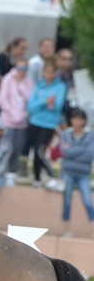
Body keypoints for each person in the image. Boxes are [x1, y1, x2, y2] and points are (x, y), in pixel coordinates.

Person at [27, 60, 66, 190]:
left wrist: (42, 103)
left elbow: (57, 106)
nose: (49, 74)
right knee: (35, 151)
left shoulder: (60, 86)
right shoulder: (39, 85)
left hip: (48, 124)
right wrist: (45, 101)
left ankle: (53, 175)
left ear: (55, 73)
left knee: (40, 149)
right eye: (46, 72)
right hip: (34, 122)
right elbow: (31, 107)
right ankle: (37, 179)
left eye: (51, 72)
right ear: (43, 72)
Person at [59, 108, 94, 238]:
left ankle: (92, 230)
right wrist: (81, 149)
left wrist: (72, 150)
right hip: (68, 172)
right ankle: (66, 230)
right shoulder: (66, 134)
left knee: (88, 202)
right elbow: (64, 152)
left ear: (84, 120)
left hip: (83, 173)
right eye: (74, 119)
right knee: (67, 202)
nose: (77, 122)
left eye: (80, 119)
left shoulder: (90, 135)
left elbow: (90, 154)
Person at [0, 58, 34, 175]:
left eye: (25, 69)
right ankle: (1, 172)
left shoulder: (29, 82)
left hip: (22, 123)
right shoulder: (8, 79)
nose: (22, 71)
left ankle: (13, 173)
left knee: (18, 150)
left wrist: (22, 88)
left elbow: (31, 101)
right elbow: (2, 99)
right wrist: (13, 114)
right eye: (20, 68)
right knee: (7, 150)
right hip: (8, 121)